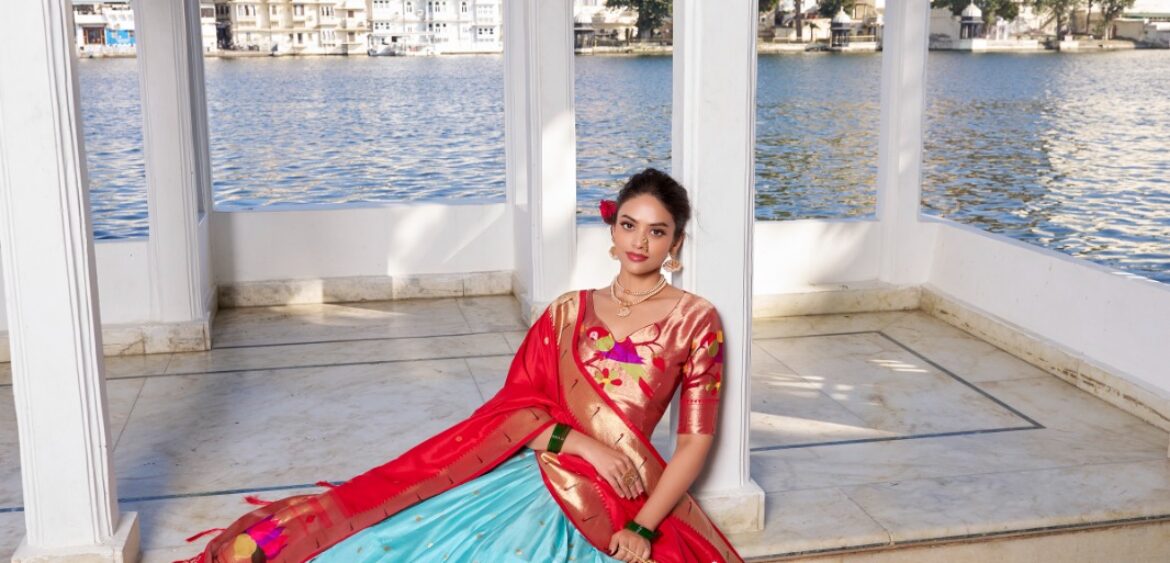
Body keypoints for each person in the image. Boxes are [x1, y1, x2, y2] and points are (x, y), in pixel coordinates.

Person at [179, 168, 743, 563]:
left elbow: (694, 443)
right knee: (398, 538)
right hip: (545, 470)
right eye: (628, 224)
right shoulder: (567, 312)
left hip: (624, 492)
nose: (640, 241)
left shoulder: (696, 320)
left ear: (675, 244)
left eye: (657, 231)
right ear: (612, 231)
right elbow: (514, 408)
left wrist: (643, 526)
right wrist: (583, 446)